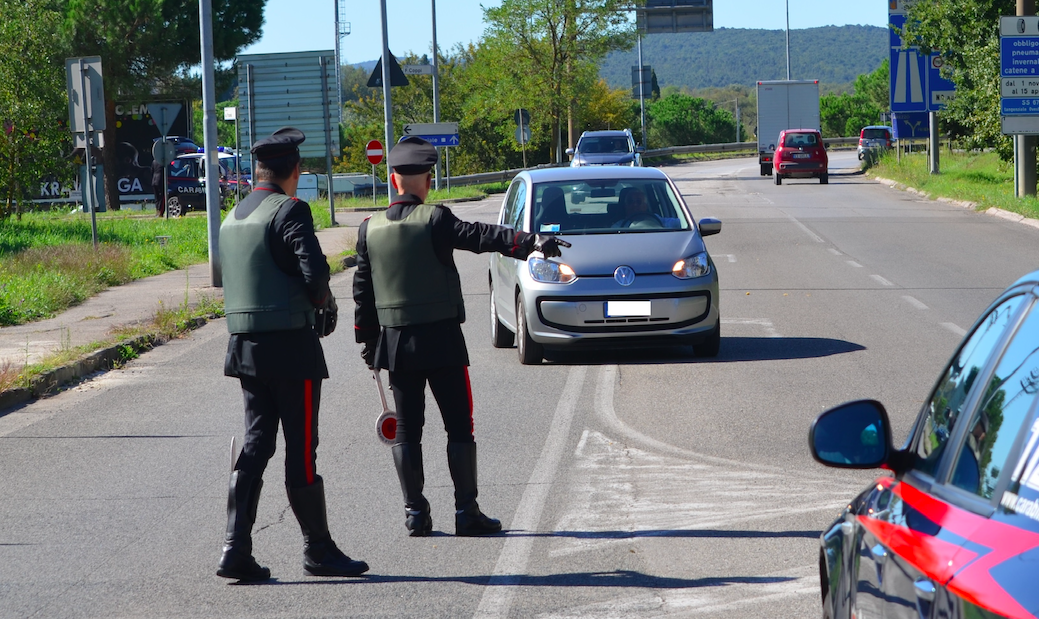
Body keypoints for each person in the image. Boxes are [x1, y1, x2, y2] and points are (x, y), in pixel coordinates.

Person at [353, 137, 569, 537]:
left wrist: (368, 345)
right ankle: (466, 511)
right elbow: (480, 235)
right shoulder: (435, 219)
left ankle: (415, 513)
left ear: (392, 178)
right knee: (459, 426)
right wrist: (531, 242)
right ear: (428, 181)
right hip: (443, 342)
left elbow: (362, 295)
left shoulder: (369, 230)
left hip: (398, 346)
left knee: (406, 430)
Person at [217, 127, 368, 581]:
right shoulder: (291, 211)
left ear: (258, 170)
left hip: (245, 349)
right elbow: (316, 275)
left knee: (256, 444)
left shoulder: (233, 217)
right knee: (301, 452)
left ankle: (234, 548)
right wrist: (322, 303)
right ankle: (317, 550)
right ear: (294, 171)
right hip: (290, 350)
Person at [611, 186, 680, 229]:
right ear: (625, 206)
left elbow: (683, 224)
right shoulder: (618, 226)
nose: (634, 204)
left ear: (645, 205)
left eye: (638, 201)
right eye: (630, 201)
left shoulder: (660, 221)